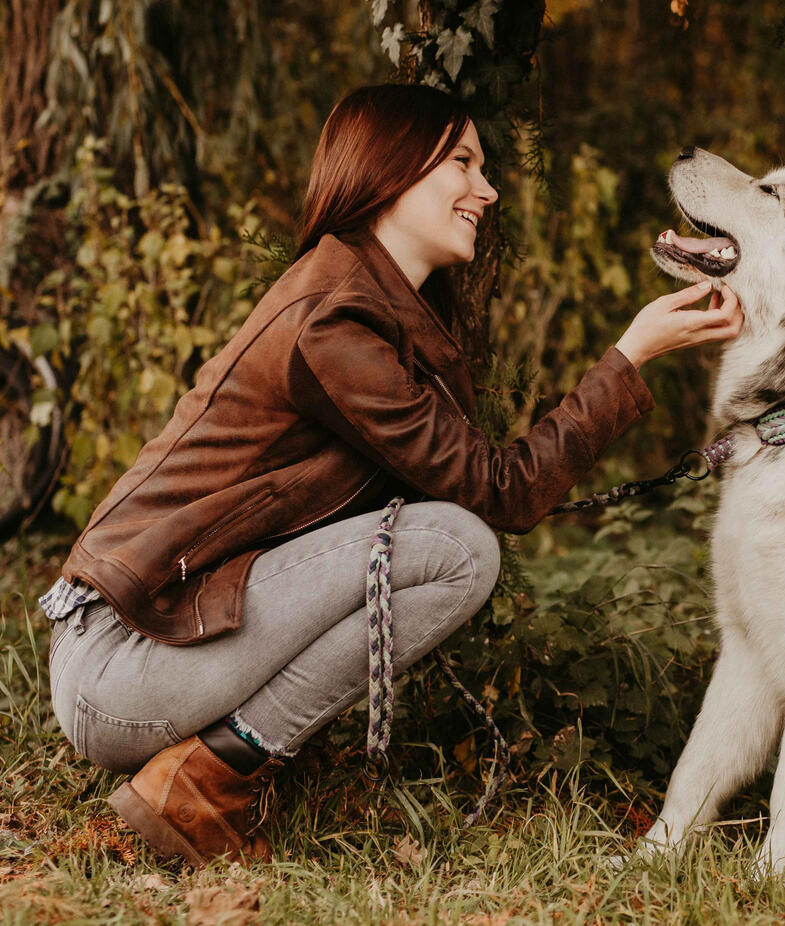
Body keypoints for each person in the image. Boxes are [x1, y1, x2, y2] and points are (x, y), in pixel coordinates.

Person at [39, 84, 743, 869]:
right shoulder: (334, 318)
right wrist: (630, 355)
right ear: (390, 170)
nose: (489, 188)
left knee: (453, 540)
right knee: (458, 547)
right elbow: (499, 492)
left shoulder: (376, 304)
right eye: (463, 162)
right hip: (119, 665)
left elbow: (477, 474)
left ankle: (208, 770)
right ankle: (211, 776)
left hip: (149, 650)